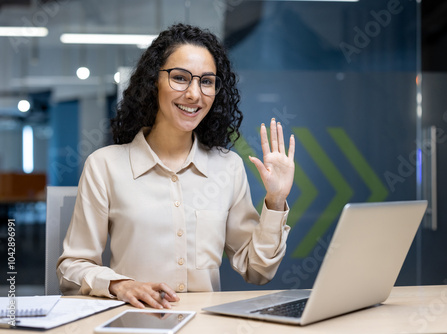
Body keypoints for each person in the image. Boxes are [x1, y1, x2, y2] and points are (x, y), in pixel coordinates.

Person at [56, 23, 295, 310]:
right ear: (152, 82)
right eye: (180, 78)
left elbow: (257, 270)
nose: (195, 94)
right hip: (135, 324)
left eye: (206, 81)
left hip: (205, 326)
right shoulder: (105, 165)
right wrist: (119, 285)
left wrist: (276, 200)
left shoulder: (227, 167)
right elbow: (72, 267)